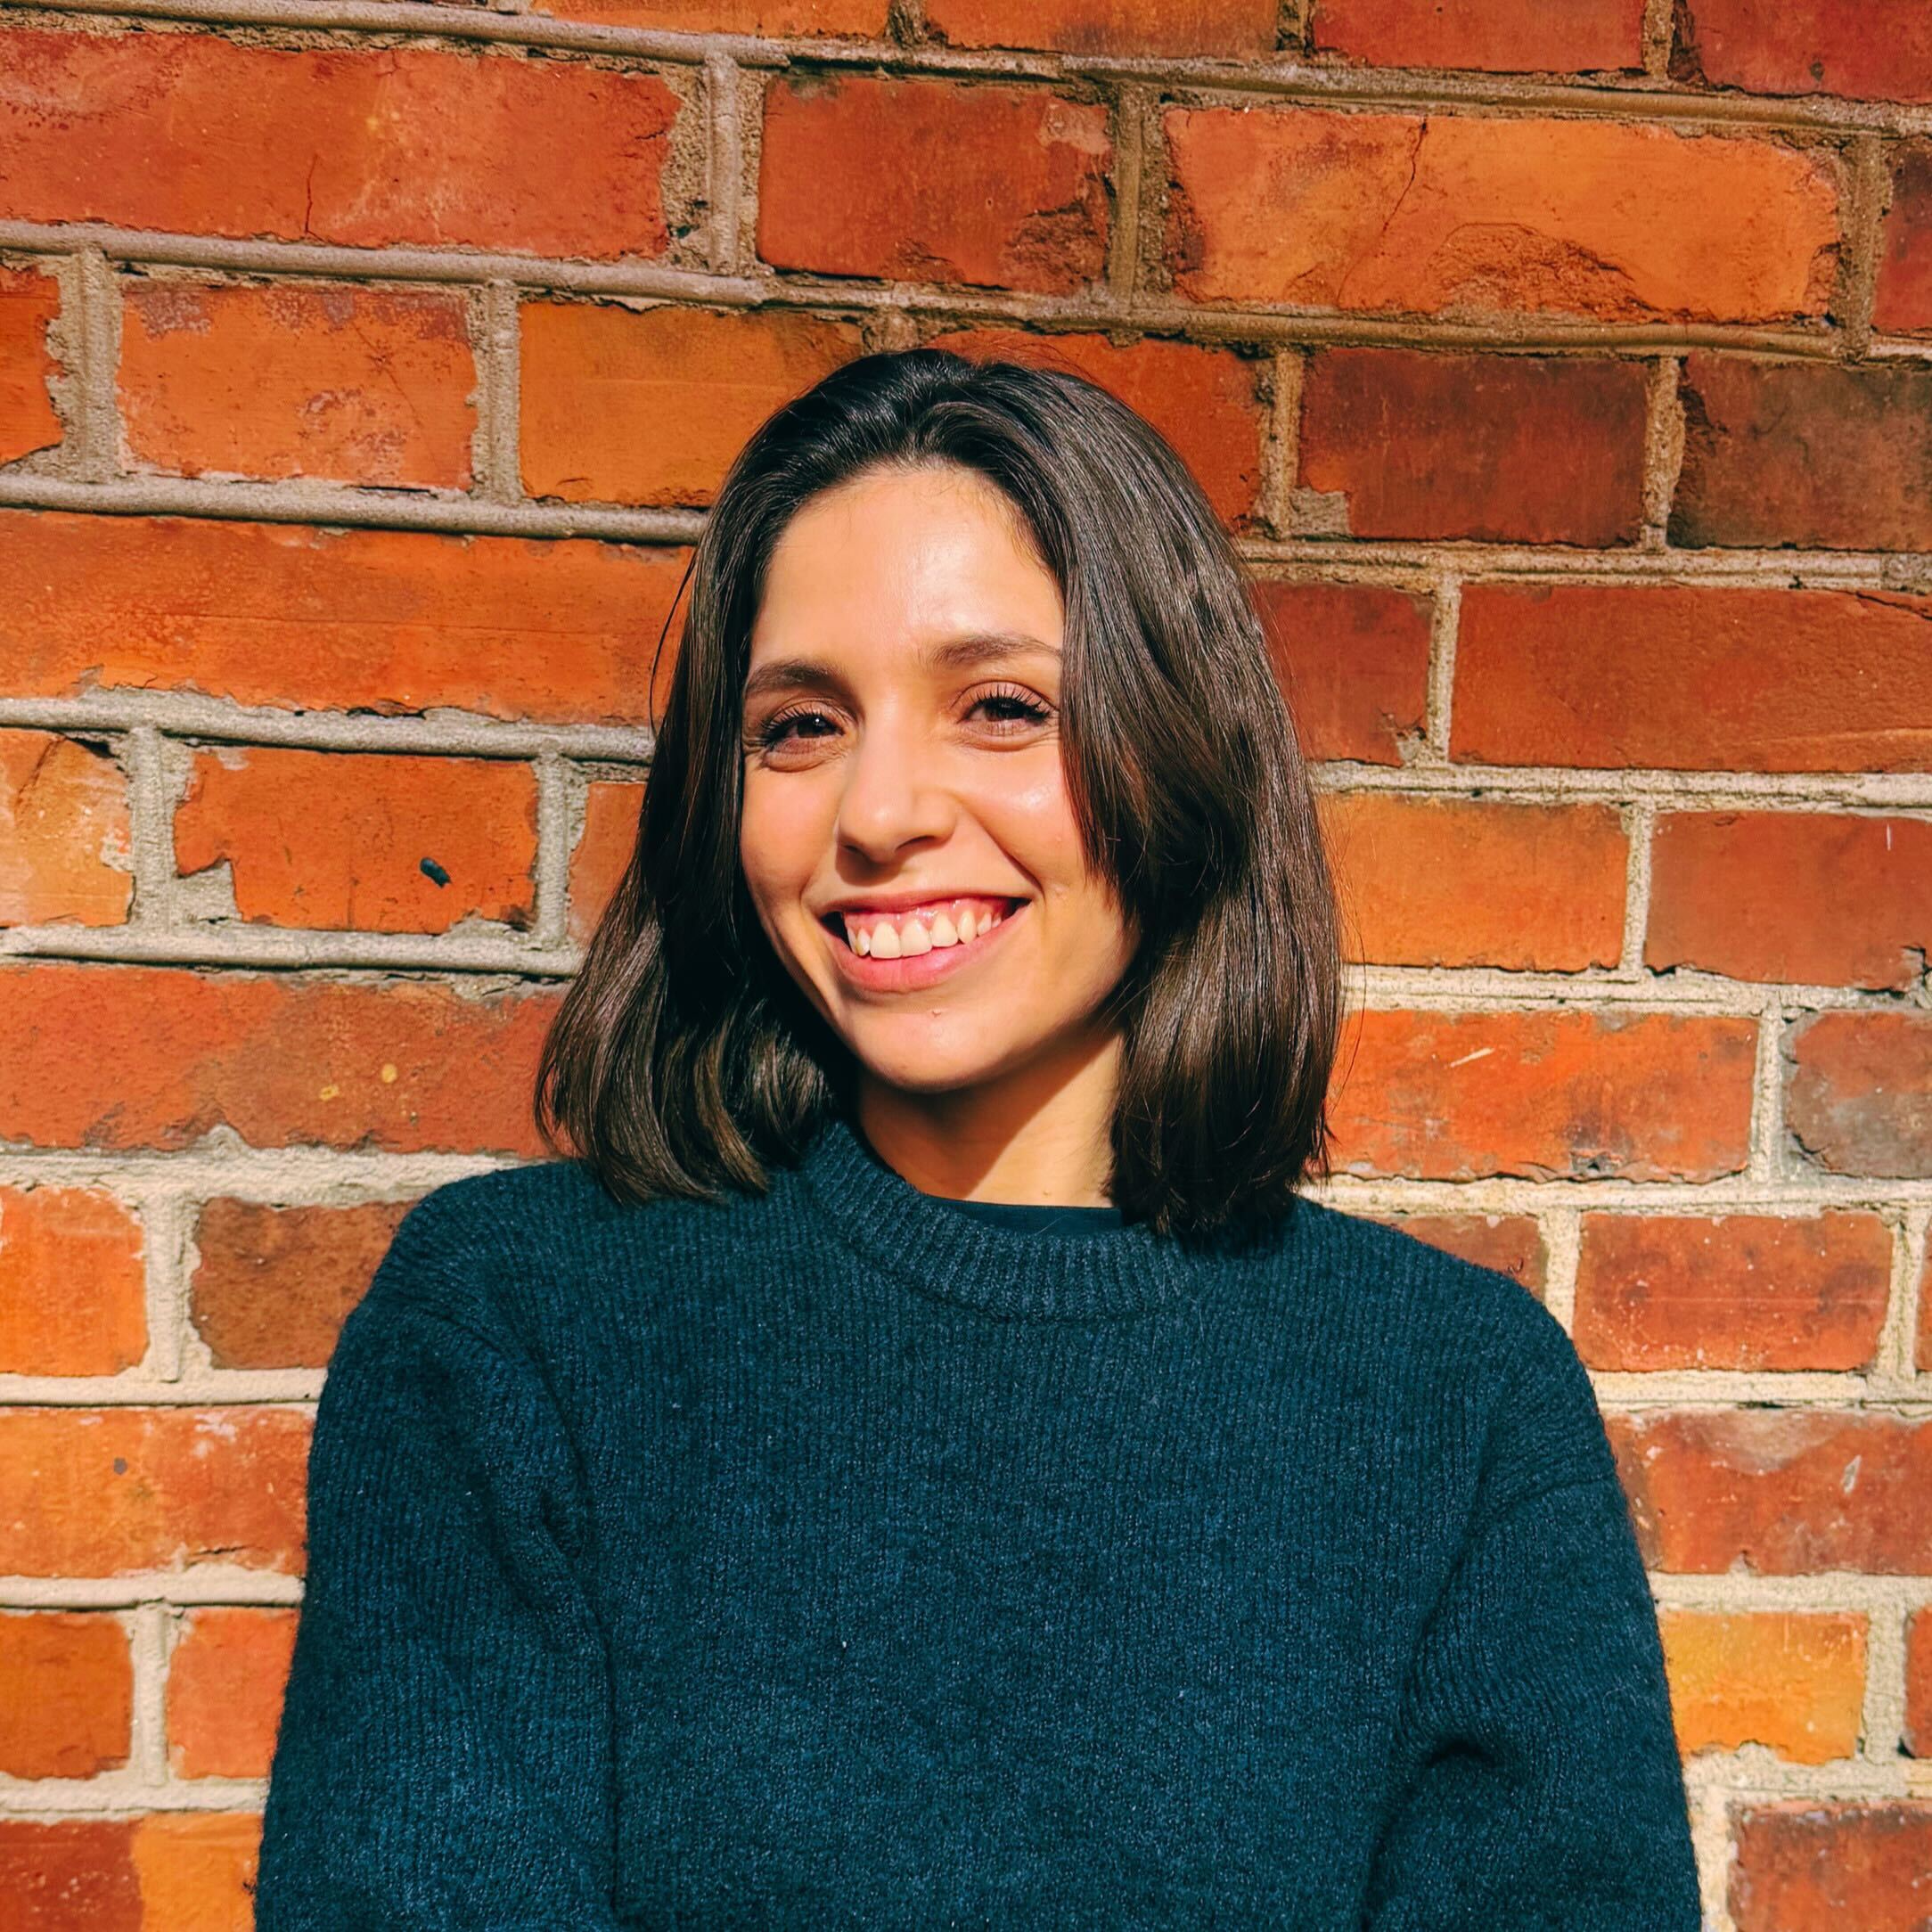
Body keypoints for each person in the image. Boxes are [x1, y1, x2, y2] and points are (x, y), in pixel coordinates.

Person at [253, 348, 1702, 1928]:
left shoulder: (1452, 1399)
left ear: (1180, 749)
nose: (880, 811)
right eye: (800, 725)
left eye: (1002, 708)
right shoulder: (514, 1329)